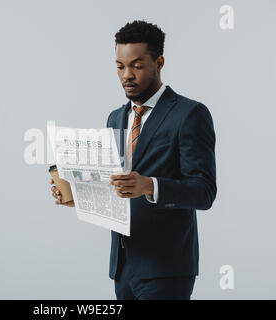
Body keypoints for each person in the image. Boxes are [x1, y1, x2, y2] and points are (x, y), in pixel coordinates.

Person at [50, 20, 216, 300]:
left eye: (136, 66)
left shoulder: (190, 114)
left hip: (167, 267)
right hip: (123, 266)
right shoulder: (115, 117)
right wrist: (78, 195)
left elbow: (204, 192)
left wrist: (150, 186)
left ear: (159, 62)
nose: (126, 75)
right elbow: (115, 188)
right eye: (119, 66)